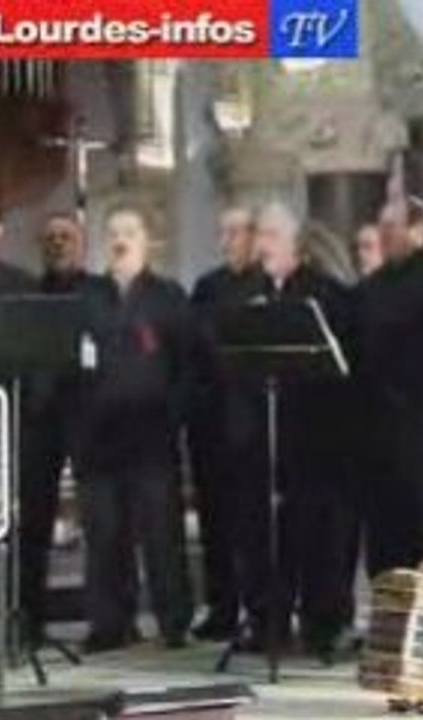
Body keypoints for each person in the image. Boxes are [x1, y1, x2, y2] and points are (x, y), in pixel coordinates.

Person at [232, 200, 356, 660]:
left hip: (316, 435)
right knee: (264, 532)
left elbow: (342, 369)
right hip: (263, 434)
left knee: (319, 531)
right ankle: (268, 621)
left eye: (271, 236)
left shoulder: (326, 295)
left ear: (298, 245)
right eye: (259, 234)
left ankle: (325, 624)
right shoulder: (246, 294)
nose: (262, 245)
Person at [75, 204, 194, 652]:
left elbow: (188, 365)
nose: (120, 240)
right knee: (105, 537)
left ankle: (173, 620)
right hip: (99, 438)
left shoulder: (168, 297)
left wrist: (174, 416)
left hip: (152, 437)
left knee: (161, 535)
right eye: (114, 233)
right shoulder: (89, 296)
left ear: (147, 242)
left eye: (130, 232)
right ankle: (110, 623)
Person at [354, 197, 423, 577]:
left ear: (419, 231)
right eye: (382, 227)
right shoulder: (369, 289)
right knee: (383, 536)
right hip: (378, 430)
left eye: (393, 226)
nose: (385, 235)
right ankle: (387, 624)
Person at [187, 206, 258, 642]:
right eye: (224, 232)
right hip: (211, 422)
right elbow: (196, 349)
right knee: (215, 523)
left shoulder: (265, 285)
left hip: (253, 423)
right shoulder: (207, 287)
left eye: (237, 231)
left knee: (252, 523)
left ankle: (262, 609)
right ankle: (223, 607)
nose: (229, 240)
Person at [19, 213, 90, 646]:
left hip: (87, 417)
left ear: (82, 243)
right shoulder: (28, 294)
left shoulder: (98, 291)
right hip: (41, 420)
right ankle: (30, 618)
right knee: (34, 523)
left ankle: (114, 617)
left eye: (66, 237)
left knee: (104, 521)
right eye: (50, 238)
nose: (58, 244)